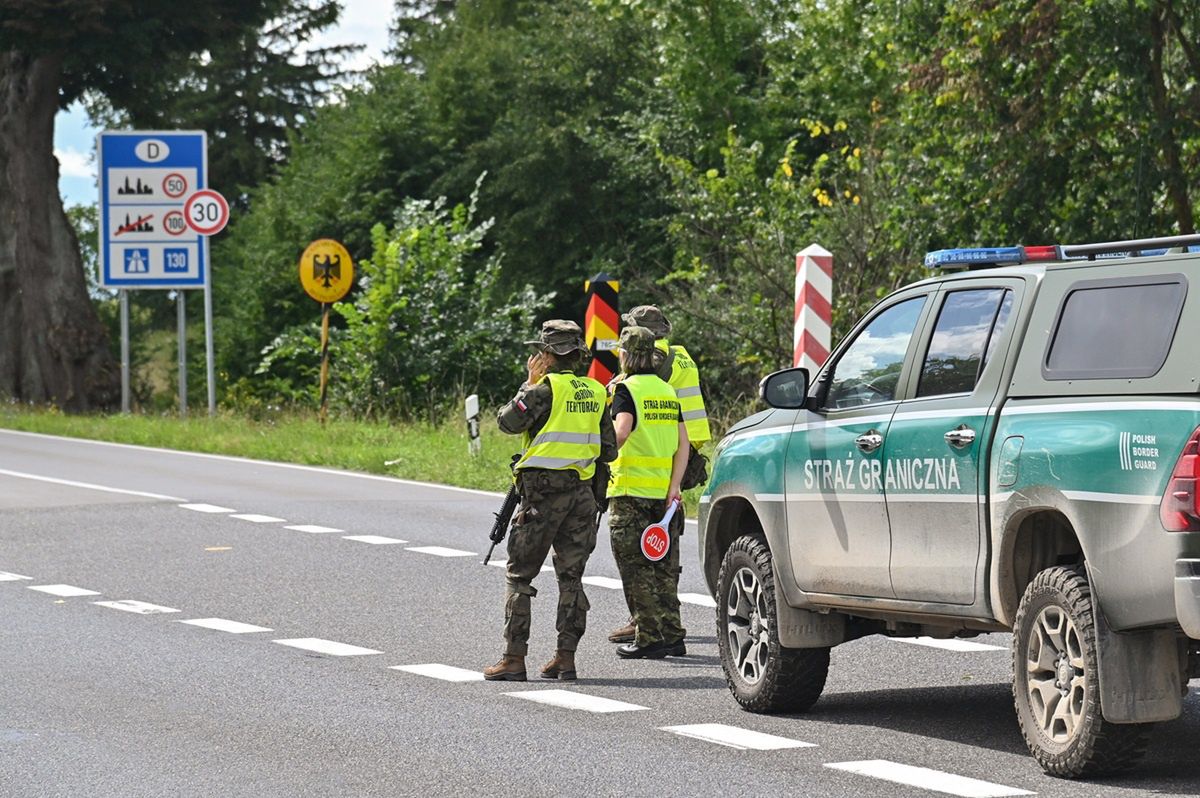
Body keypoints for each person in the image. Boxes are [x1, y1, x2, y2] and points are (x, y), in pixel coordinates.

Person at [484, 319, 618, 682]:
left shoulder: (543, 390)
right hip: (582, 495)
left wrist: (527, 383)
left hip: (542, 496)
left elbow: (507, 423)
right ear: (578, 355)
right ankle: (565, 658)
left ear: (546, 355)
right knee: (571, 577)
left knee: (519, 577)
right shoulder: (595, 391)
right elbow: (609, 448)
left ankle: (513, 659)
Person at [608, 305, 710, 645]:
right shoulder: (682, 357)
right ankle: (667, 625)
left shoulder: (650, 364)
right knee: (663, 547)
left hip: (646, 459)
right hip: (679, 454)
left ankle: (644, 622)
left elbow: (627, 423)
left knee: (637, 554)